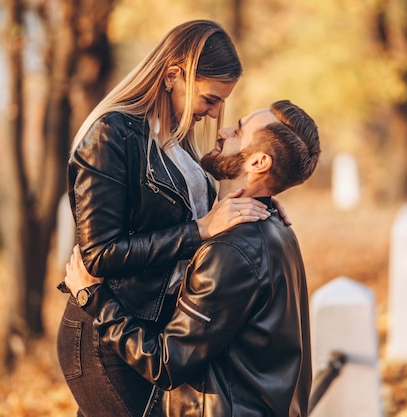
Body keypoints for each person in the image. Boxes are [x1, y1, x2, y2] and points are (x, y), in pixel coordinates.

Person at [57, 20, 280, 417]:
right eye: (210, 99)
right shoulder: (112, 134)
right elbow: (99, 253)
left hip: (152, 336)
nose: (214, 113)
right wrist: (201, 230)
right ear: (174, 75)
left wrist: (261, 196)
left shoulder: (176, 141)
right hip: (105, 335)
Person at [64, 99, 321, 416]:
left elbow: (166, 364)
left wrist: (93, 296)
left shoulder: (231, 251)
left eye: (238, 131)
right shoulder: (276, 229)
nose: (224, 130)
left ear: (259, 163)